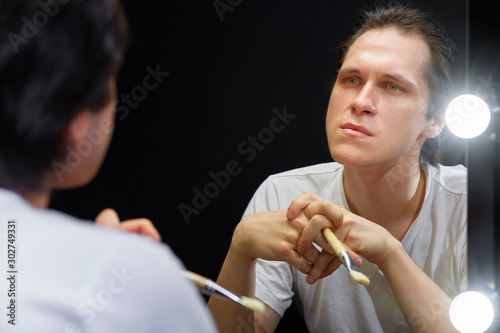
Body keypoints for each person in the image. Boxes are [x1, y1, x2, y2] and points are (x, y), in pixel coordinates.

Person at [208, 4, 466, 333]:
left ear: (435, 120)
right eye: (351, 79)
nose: (360, 101)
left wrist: (390, 253)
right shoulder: (285, 195)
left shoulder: (475, 203)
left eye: (392, 86)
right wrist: (240, 249)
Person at [0, 0, 217, 332]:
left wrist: (87, 258)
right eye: (111, 77)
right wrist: (111, 266)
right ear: (75, 121)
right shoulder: (141, 278)